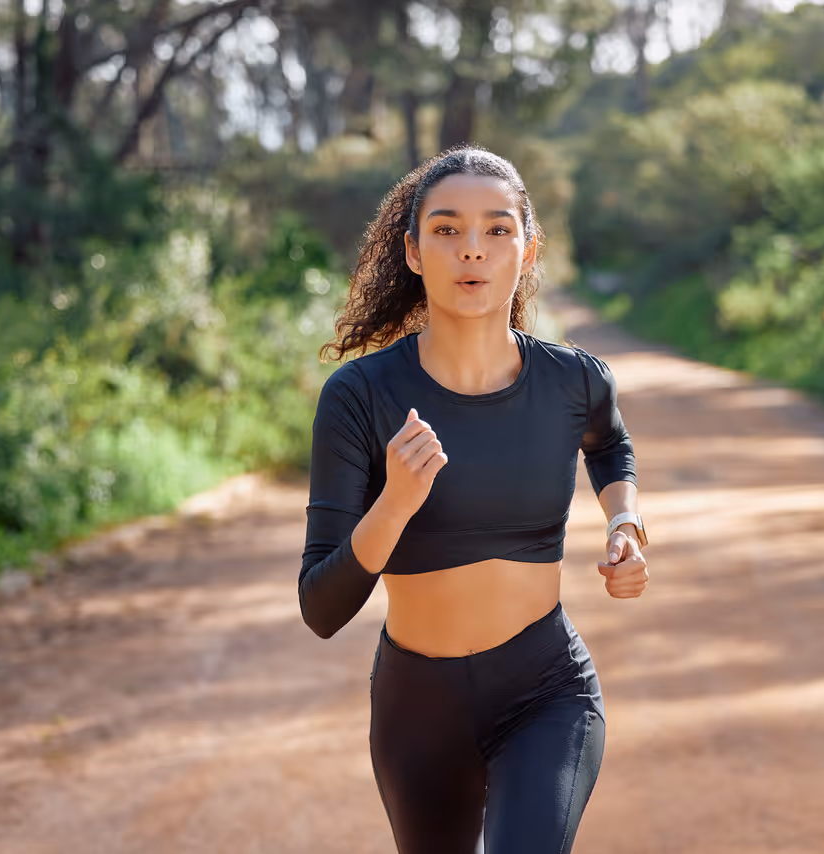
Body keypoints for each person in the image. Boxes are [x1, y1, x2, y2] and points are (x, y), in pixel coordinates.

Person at [298, 144, 650, 854]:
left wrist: (626, 519)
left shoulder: (573, 381)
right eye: (448, 229)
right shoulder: (360, 398)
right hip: (416, 707)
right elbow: (321, 607)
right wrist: (395, 503)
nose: (473, 252)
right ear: (415, 251)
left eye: (497, 229)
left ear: (526, 247)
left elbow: (609, 444)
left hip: (546, 689)